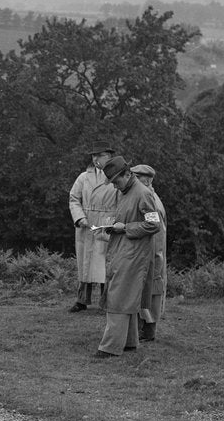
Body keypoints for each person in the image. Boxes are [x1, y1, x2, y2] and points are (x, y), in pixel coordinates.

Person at [95, 157, 162, 358]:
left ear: (127, 174)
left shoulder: (143, 193)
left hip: (134, 254)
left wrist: (125, 228)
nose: (115, 186)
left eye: (116, 181)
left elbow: (154, 224)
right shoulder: (126, 192)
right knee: (126, 296)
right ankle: (130, 342)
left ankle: (110, 347)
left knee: (118, 297)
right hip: (123, 250)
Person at [68, 142, 120, 312]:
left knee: (106, 263)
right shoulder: (84, 177)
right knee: (85, 263)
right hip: (87, 224)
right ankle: (82, 300)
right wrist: (79, 217)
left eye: (99, 155)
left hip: (107, 223)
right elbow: (74, 199)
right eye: (93, 155)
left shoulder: (117, 176)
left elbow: (124, 201)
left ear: (109, 156)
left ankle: (107, 301)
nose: (95, 159)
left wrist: (114, 221)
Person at [131, 164, 167, 342]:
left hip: (152, 256)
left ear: (145, 180)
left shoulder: (150, 200)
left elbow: (155, 232)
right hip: (148, 254)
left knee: (151, 291)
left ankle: (148, 330)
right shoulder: (149, 196)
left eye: (136, 178)